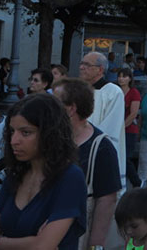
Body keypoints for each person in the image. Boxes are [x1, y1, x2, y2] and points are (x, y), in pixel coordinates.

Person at [0, 93, 87, 249]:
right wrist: (30, 242)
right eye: (12, 131)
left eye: (26, 132)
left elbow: (42, 246)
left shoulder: (70, 177)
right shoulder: (15, 174)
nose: (14, 141)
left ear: (50, 133)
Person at [52, 78, 121, 250]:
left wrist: (95, 245)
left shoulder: (101, 147)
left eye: (54, 102)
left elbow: (107, 199)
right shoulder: (48, 138)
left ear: (71, 109)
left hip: (77, 237)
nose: (49, 107)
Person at [79, 51, 126, 187]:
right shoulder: (78, 90)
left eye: (87, 65)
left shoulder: (113, 92)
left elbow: (111, 126)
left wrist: (88, 144)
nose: (82, 67)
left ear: (100, 69)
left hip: (97, 150)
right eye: (81, 64)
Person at [118, 67, 142, 187]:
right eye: (120, 76)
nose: (121, 79)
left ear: (130, 78)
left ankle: (136, 182)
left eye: (124, 76)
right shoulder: (116, 91)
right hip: (116, 129)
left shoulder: (134, 92)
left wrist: (122, 127)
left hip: (129, 130)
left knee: (125, 158)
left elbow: (133, 114)